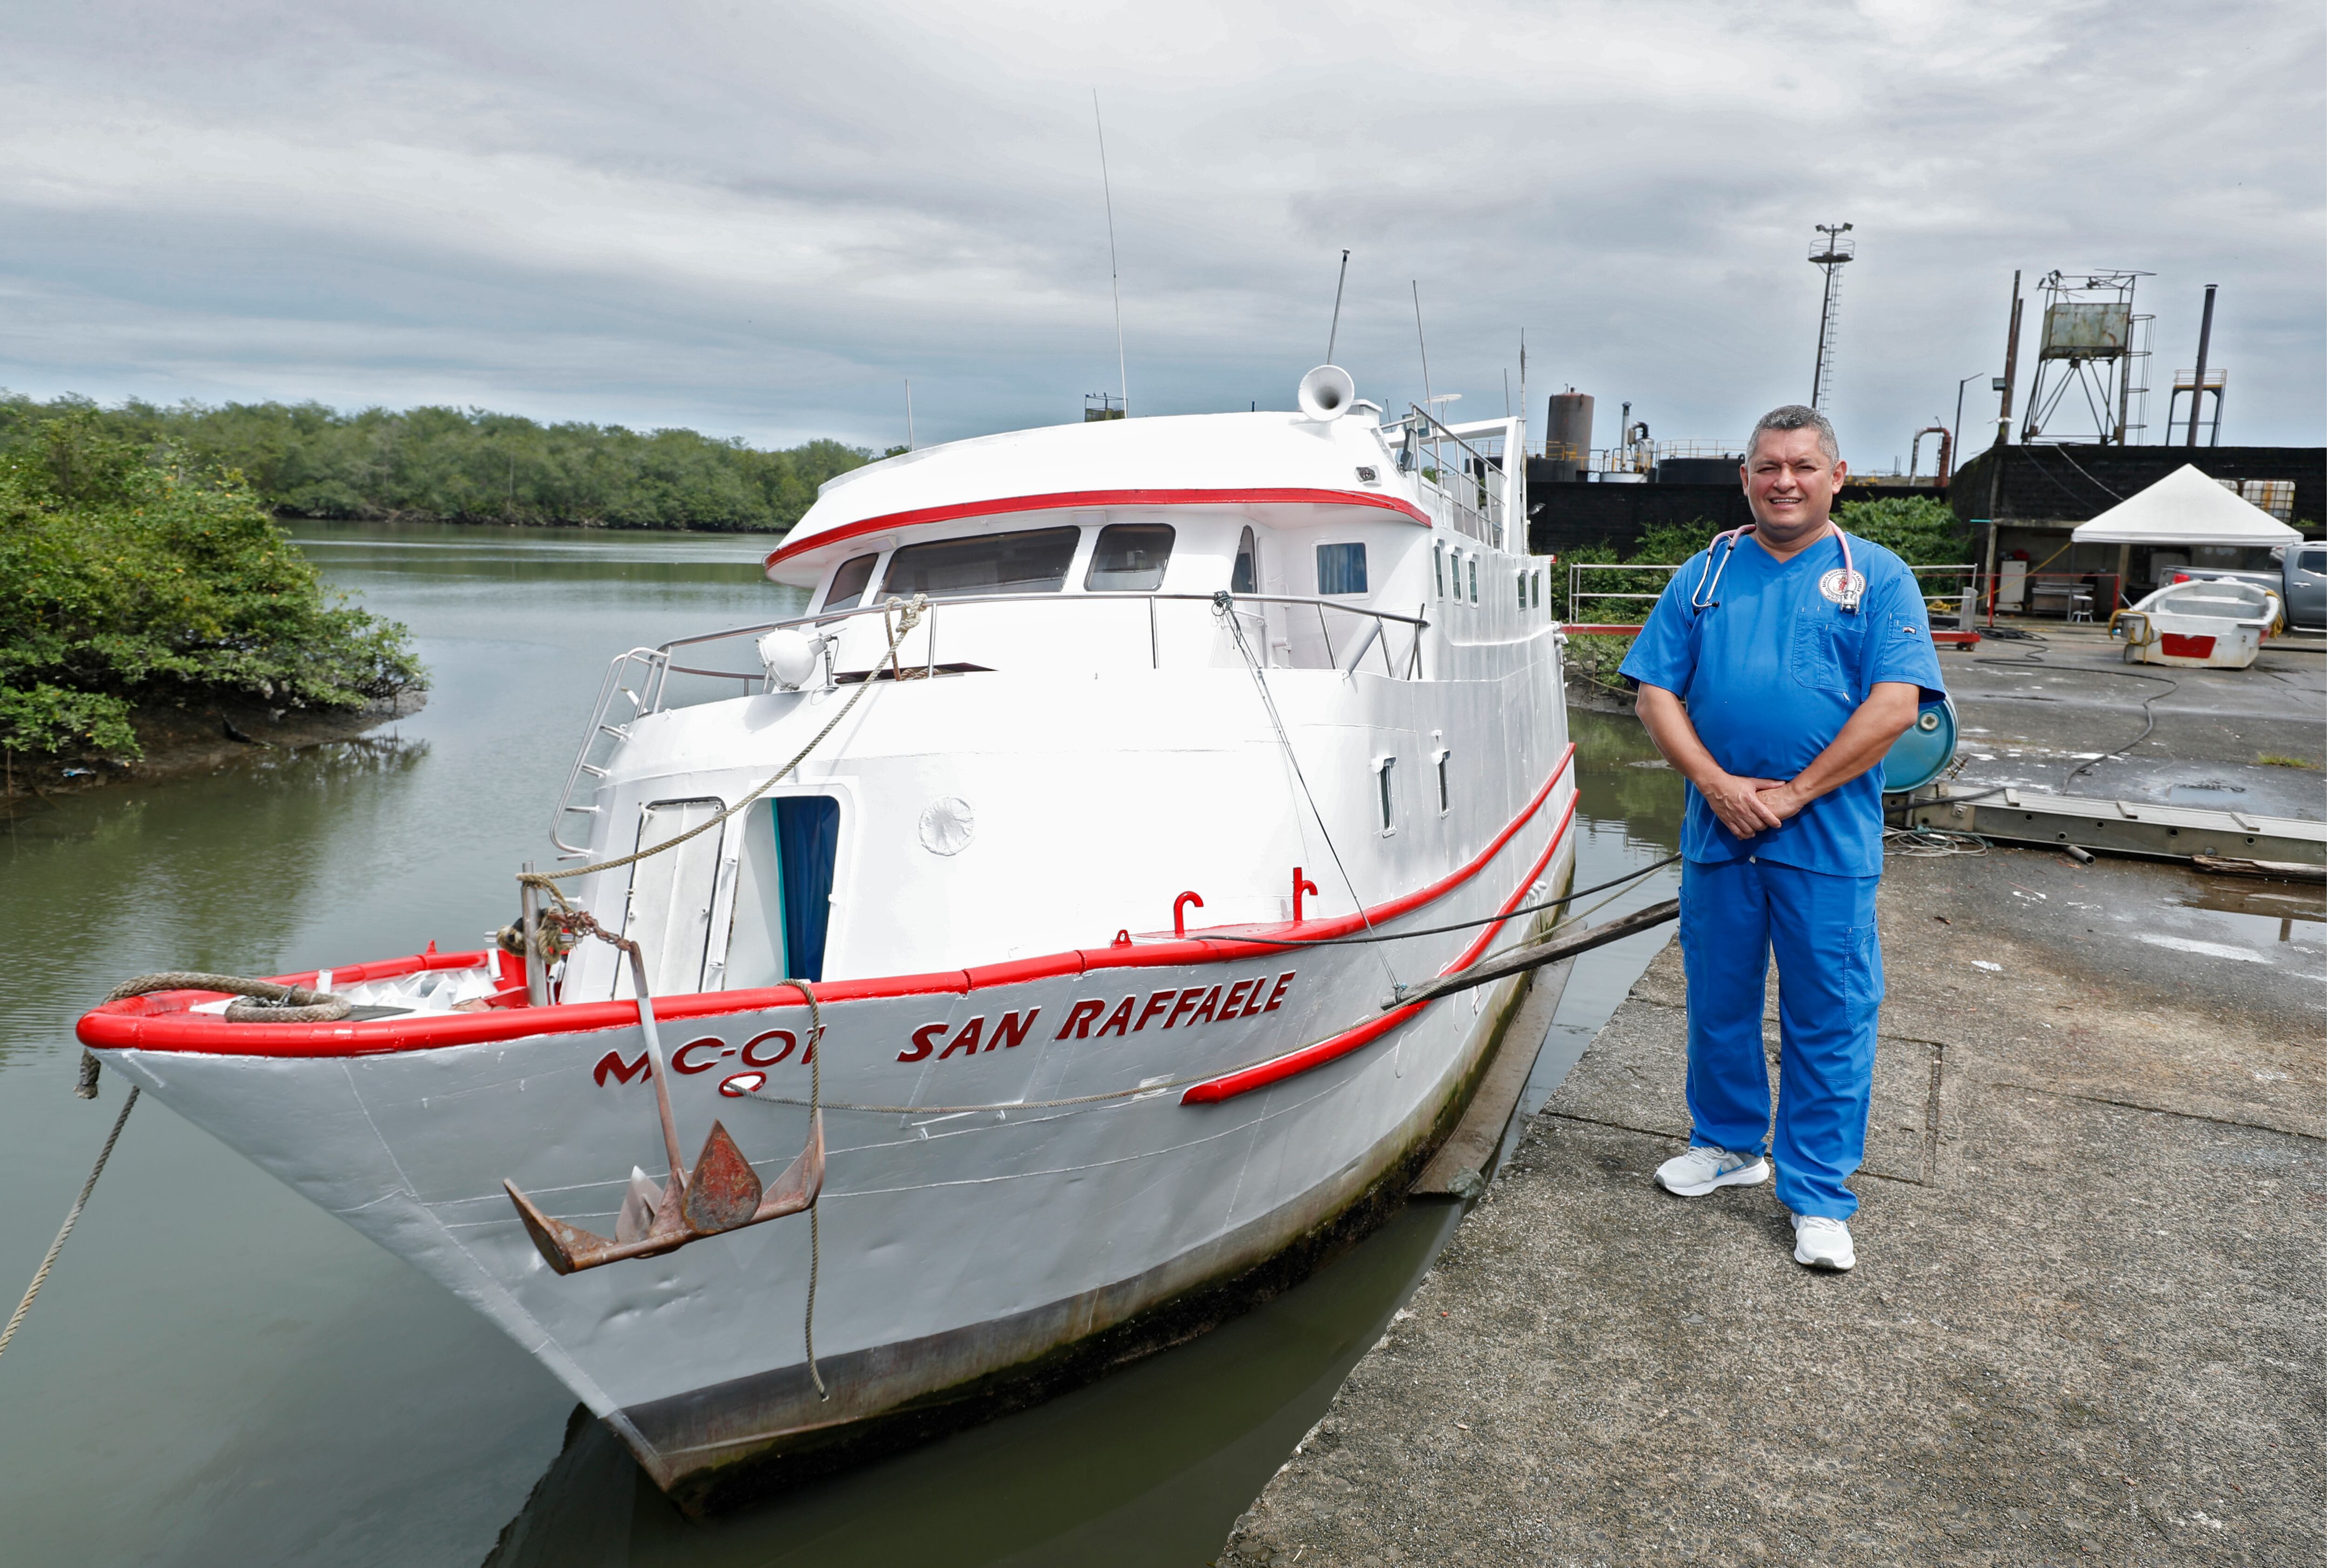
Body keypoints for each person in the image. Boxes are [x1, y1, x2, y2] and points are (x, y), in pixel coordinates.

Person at [1618, 404, 1945, 1271]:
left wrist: (1797, 791)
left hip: (1825, 840)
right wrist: (1719, 787)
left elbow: (1896, 705)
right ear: (1746, 479)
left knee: (1829, 1016)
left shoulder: (1875, 576)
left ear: (1837, 476)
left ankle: (1819, 1191)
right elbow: (1655, 693)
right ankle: (1729, 1144)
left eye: (1803, 465)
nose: (1785, 481)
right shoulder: (1706, 572)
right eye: (1768, 466)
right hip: (1720, 834)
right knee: (1719, 1002)